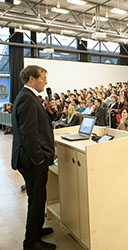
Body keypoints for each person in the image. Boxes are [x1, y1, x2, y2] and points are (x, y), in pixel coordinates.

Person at [11, 65, 57, 250]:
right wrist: (39, 159)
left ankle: (36, 230)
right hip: (31, 160)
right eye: (43, 78)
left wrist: (48, 110)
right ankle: (31, 242)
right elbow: (29, 134)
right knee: (36, 199)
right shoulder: (28, 99)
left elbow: (41, 123)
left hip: (30, 158)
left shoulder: (30, 98)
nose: (46, 81)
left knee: (37, 197)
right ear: (32, 79)